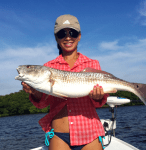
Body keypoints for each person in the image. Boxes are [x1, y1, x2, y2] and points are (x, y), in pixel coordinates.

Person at [22, 14, 117, 150]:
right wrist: (35, 93)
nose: (67, 37)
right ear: (56, 38)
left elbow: (98, 103)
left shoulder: (92, 63)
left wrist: (99, 97)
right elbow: (42, 104)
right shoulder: (48, 67)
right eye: (62, 33)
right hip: (59, 135)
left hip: (90, 131)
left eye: (72, 33)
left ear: (79, 36)